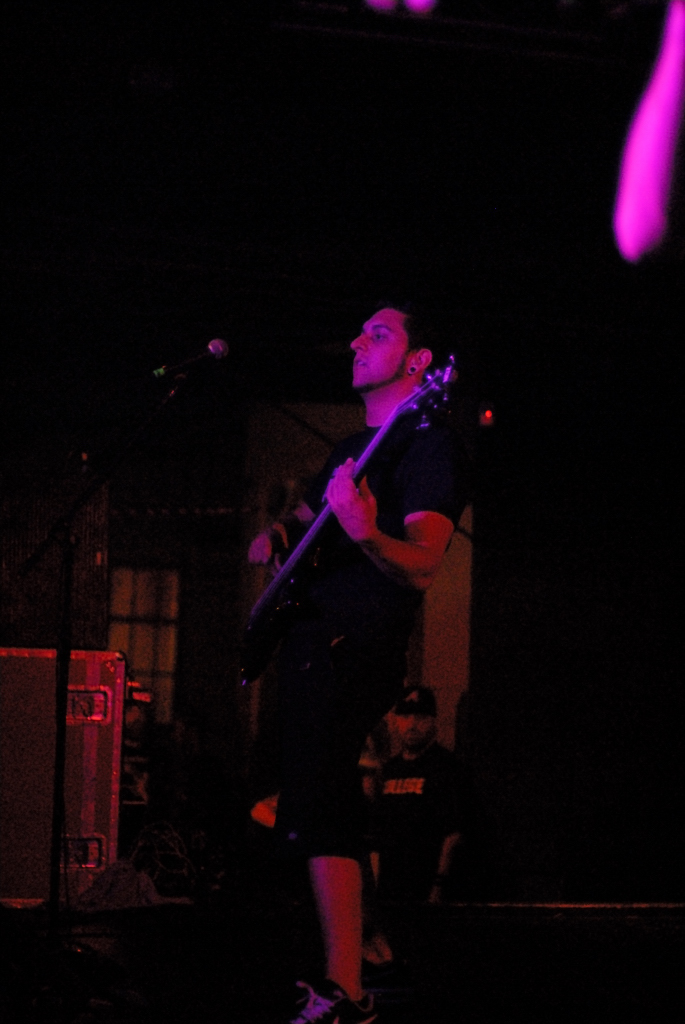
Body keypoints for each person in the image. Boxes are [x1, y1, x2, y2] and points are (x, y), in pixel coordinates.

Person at [248, 305, 468, 1024]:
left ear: (418, 361)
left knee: (318, 801)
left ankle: (345, 992)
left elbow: (423, 565)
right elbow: (307, 517)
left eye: (378, 334)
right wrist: (278, 533)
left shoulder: (428, 445)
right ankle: (372, 952)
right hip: (311, 640)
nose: (355, 341)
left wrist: (366, 531)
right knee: (317, 795)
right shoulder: (351, 446)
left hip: (359, 642)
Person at [370, 686, 466, 905]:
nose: (412, 724)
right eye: (405, 717)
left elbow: (453, 834)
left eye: (420, 717)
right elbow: (377, 833)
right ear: (395, 721)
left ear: (433, 721)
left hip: (426, 889)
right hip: (390, 890)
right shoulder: (390, 770)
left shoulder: (447, 768)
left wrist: (438, 885)